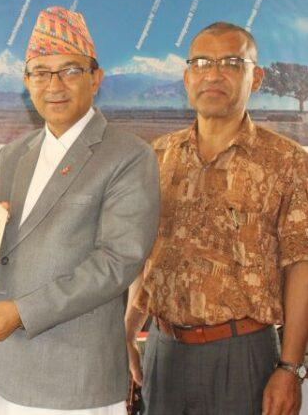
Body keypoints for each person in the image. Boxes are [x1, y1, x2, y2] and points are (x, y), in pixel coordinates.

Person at [0, 6, 160, 414]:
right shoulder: (13, 155)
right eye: (40, 72)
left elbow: (116, 262)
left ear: (96, 78)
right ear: (26, 81)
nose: (54, 85)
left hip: (71, 379)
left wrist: (22, 313)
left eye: (70, 71)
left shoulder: (128, 156)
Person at [126, 22, 308, 415]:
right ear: (187, 77)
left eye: (230, 63)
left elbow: (301, 268)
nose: (213, 74)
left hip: (243, 356)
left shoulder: (288, 162)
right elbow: (142, 256)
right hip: (163, 351)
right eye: (202, 63)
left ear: (255, 77)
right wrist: (126, 333)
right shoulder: (156, 157)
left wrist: (290, 368)